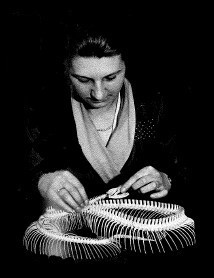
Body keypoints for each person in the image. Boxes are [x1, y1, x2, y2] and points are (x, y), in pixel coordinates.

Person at [28, 22, 180, 215]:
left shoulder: (153, 106)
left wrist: (166, 179)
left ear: (126, 65)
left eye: (111, 78)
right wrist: (40, 181)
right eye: (83, 80)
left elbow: (182, 165)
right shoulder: (43, 110)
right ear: (66, 70)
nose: (98, 94)